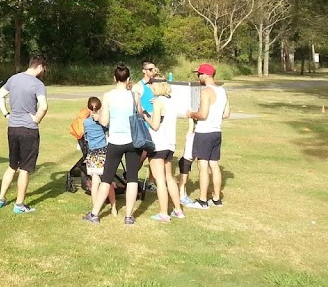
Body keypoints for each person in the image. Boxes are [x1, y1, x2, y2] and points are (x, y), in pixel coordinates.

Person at [87, 65, 143, 225]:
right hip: (133, 141)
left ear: (114, 78)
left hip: (115, 141)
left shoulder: (108, 96)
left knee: (106, 179)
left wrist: (98, 117)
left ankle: (95, 214)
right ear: (128, 79)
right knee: (132, 179)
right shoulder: (135, 95)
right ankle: (129, 216)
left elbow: (104, 121)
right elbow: (139, 114)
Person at [0, 55, 48, 214]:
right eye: (43, 69)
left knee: (12, 165)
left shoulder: (14, 79)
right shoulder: (38, 84)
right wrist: (36, 119)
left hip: (13, 128)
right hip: (28, 130)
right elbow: (43, 106)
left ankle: (1, 199)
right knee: (24, 169)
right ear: (39, 67)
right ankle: (19, 205)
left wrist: (6, 114)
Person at [185, 63, 229, 210]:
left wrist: (191, 114)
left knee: (202, 166)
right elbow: (226, 114)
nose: (198, 77)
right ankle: (216, 198)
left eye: (199, 74)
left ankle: (203, 200)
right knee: (214, 165)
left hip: (204, 133)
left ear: (204, 75)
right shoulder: (222, 90)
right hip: (217, 132)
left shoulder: (206, 91)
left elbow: (203, 115)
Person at [147, 75, 184, 222]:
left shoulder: (157, 103)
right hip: (170, 144)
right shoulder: (171, 101)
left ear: (157, 86)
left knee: (160, 180)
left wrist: (145, 117)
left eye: (152, 85)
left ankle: (163, 213)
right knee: (170, 177)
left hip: (158, 144)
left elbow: (155, 125)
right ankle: (178, 210)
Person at [81, 96, 115, 222]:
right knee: (108, 181)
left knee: (95, 182)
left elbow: (86, 136)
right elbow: (107, 128)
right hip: (104, 152)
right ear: (100, 109)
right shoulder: (102, 122)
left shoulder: (85, 122)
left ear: (88, 108)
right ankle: (114, 207)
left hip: (93, 154)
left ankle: (96, 207)